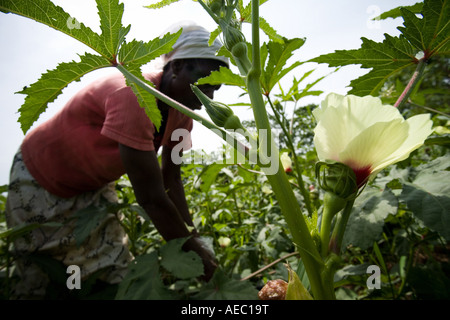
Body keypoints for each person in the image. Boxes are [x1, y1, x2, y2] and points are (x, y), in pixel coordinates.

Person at [5, 22, 229, 299]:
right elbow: (152, 198)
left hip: (94, 187)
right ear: (176, 68)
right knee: (40, 275)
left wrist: (197, 242)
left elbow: (171, 179)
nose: (209, 98)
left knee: (114, 273)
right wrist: (205, 265)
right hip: (41, 178)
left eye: (215, 90)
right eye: (203, 86)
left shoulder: (184, 117)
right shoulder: (133, 93)